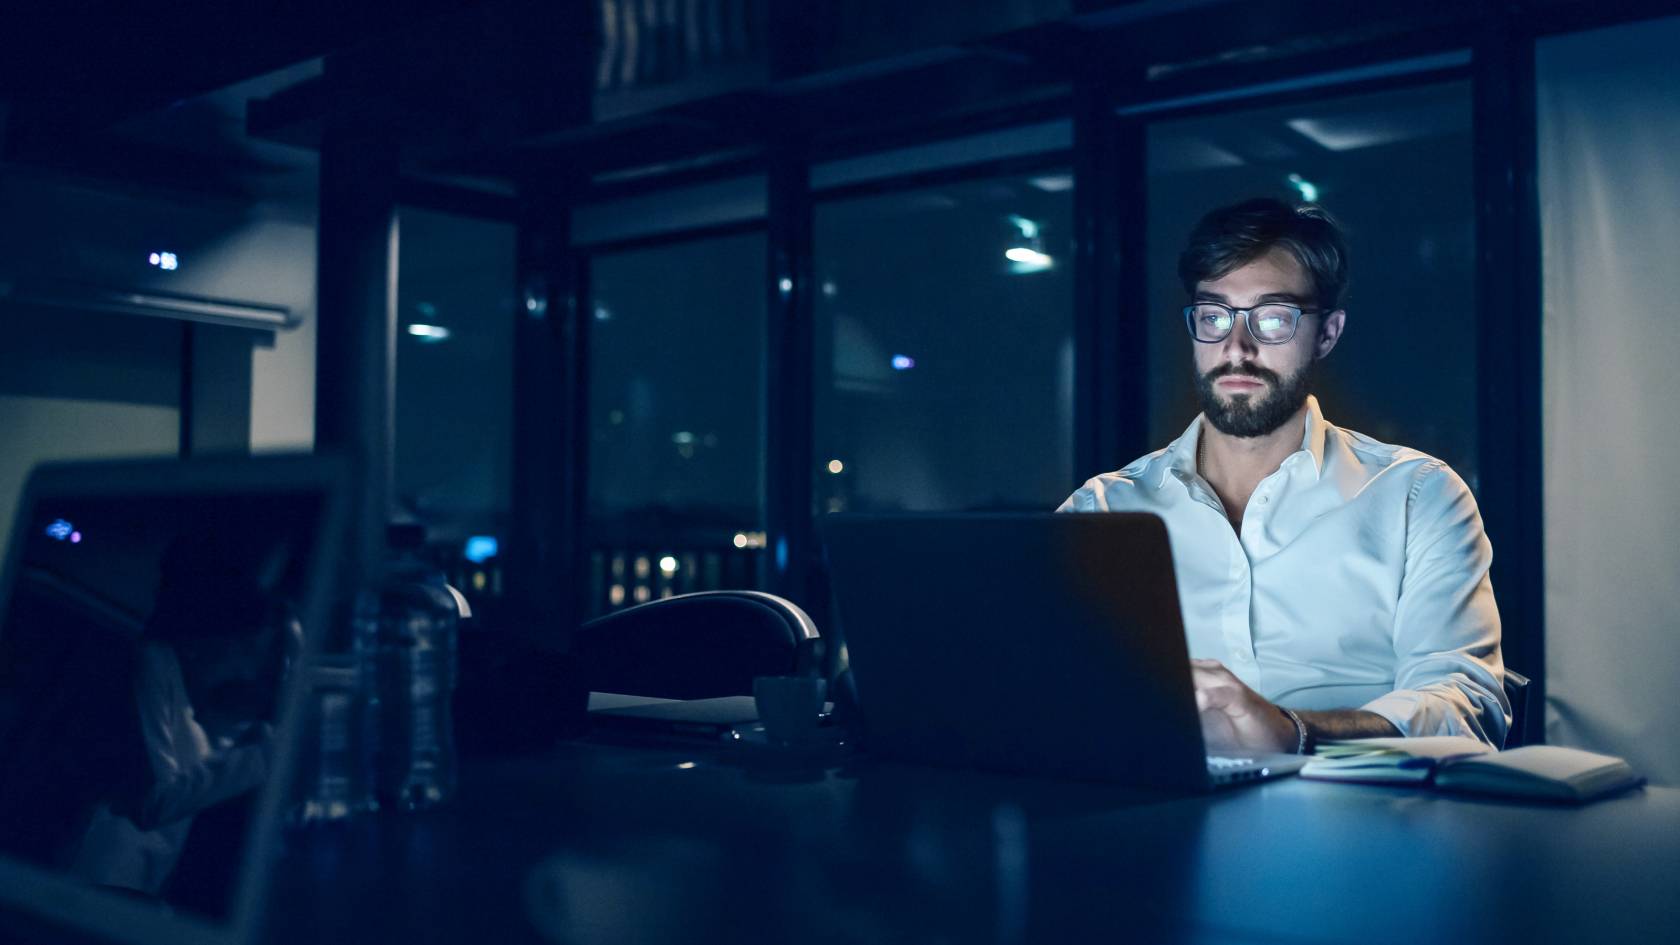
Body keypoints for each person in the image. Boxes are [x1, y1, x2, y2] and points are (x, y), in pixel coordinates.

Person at [1059, 198, 1508, 753]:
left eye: (1273, 318)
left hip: (1364, 817)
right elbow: (1046, 689)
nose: (1236, 348)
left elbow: (1467, 704)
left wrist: (1292, 731)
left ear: (1327, 333)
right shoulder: (1102, 512)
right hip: (1160, 816)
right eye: (1214, 316)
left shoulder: (1419, 496)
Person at [68, 536, 297, 897]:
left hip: (133, 882)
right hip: (101, 873)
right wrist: (265, 755)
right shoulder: (154, 661)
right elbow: (153, 802)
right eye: (244, 646)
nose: (246, 664)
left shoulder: (192, 701)